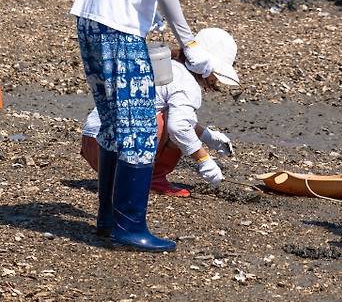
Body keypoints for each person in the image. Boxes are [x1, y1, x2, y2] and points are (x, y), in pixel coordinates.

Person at [70, 0, 221, 252]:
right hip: (118, 27)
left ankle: (107, 219)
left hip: (90, 18)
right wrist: (188, 42)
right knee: (137, 128)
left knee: (114, 123)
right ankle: (128, 225)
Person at [81, 29, 239, 196]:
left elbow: (175, 118)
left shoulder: (165, 65)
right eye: (215, 74)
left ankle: (136, 178)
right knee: (174, 125)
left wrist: (208, 136)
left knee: (169, 115)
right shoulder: (187, 84)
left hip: (93, 142)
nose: (215, 81)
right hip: (116, 152)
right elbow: (179, 127)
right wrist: (204, 160)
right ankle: (146, 178)